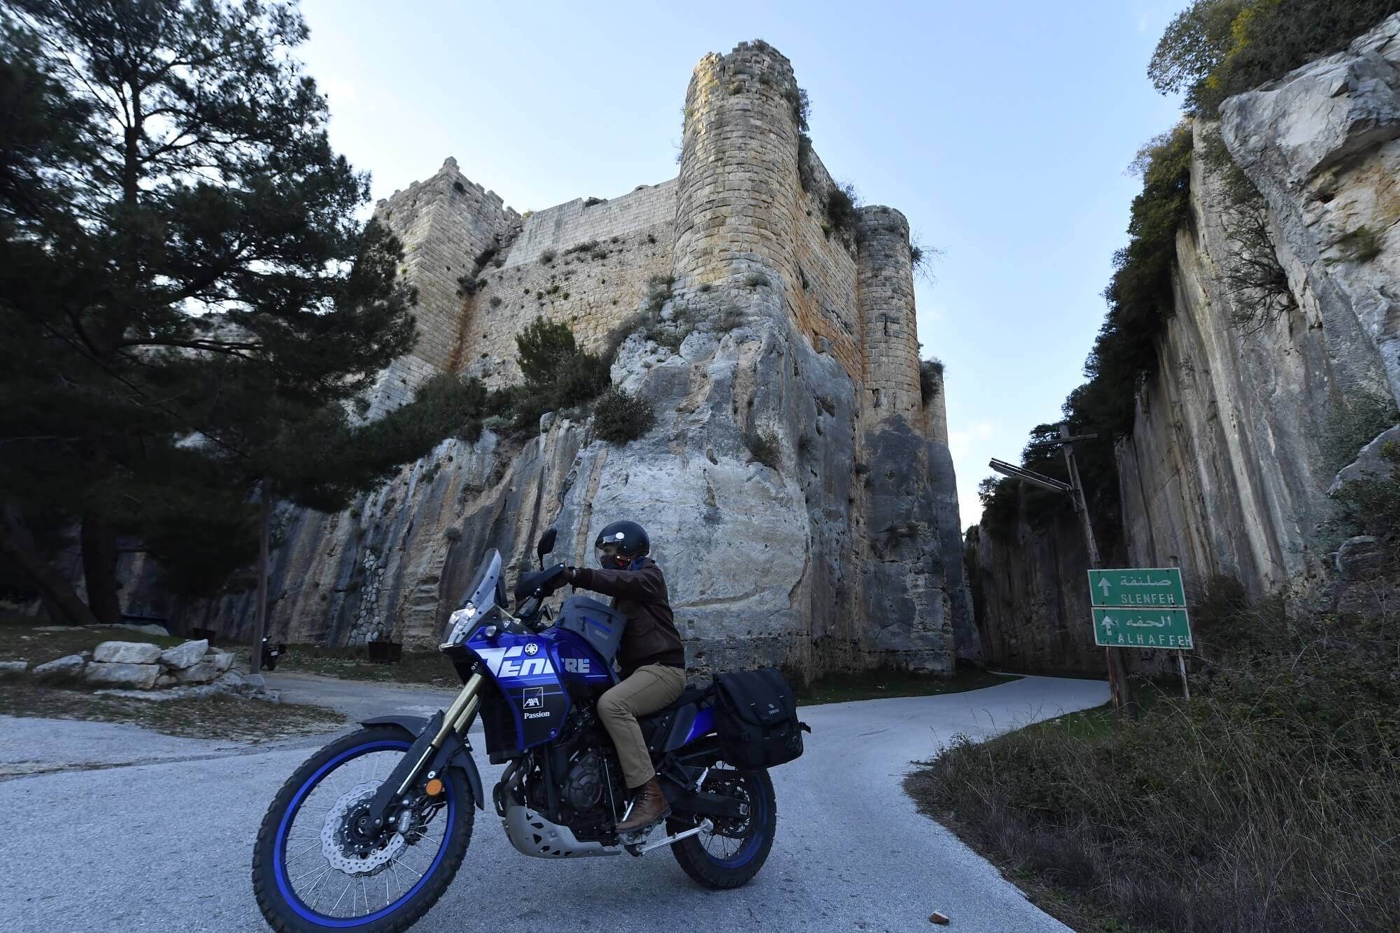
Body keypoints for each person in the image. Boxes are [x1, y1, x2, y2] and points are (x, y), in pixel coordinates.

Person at [565, 520, 685, 833]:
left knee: (612, 705)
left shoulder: (649, 576)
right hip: (638, 672)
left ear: (629, 547)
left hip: (664, 670)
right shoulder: (624, 592)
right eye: (602, 550)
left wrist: (579, 575)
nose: (605, 555)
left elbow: (620, 581)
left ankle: (651, 794)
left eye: (609, 549)